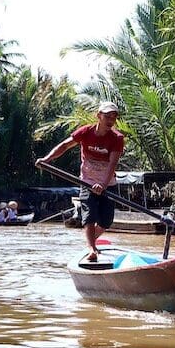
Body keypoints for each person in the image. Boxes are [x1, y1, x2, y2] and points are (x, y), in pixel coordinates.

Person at [36, 101, 124, 262]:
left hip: (108, 183)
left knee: (106, 220)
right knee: (89, 215)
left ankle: (90, 242)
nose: (110, 120)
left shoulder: (117, 138)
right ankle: (92, 249)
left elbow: (112, 164)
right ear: (98, 116)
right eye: (107, 116)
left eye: (113, 117)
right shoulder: (85, 132)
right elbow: (64, 146)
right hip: (87, 182)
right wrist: (47, 159)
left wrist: (103, 185)